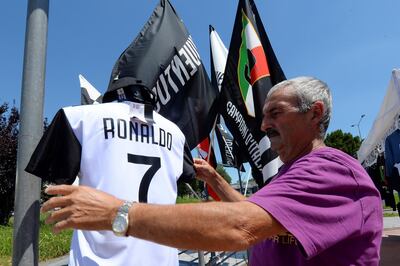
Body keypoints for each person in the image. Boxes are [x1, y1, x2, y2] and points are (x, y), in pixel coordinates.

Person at [40, 76, 383, 265]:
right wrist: (216, 179)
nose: (264, 125)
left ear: (314, 113)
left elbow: (240, 226)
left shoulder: (330, 172)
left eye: (275, 113)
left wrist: (117, 212)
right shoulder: (291, 174)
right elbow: (254, 213)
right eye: (264, 116)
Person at [26, 77, 195, 266]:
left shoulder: (76, 118)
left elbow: (57, 175)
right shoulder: (177, 134)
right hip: (162, 257)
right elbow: (186, 176)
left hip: (97, 258)